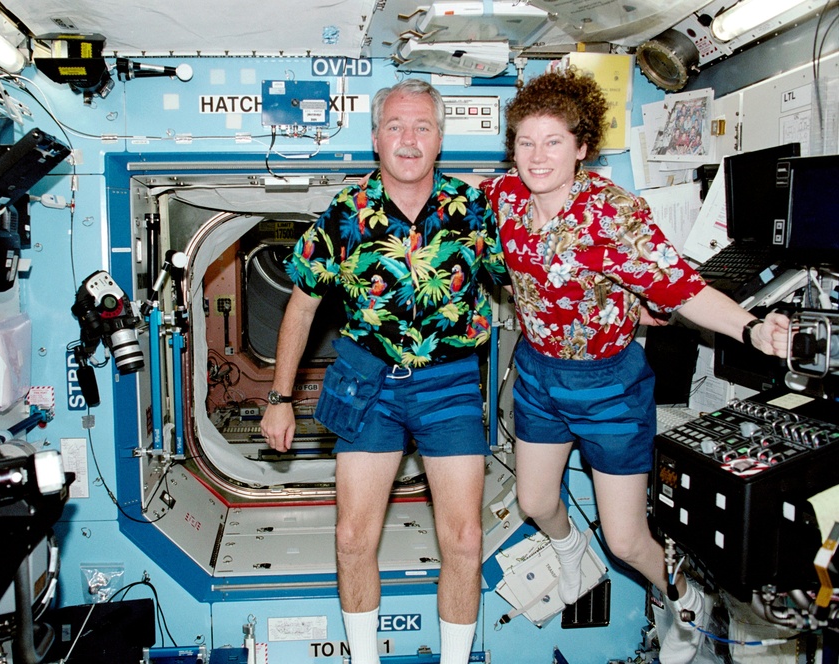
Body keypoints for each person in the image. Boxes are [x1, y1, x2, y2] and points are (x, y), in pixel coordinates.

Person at [479, 68, 790, 664]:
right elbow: (456, 199)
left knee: (625, 539)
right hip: (540, 376)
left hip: (608, 387)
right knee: (537, 504)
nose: (537, 156)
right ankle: (572, 554)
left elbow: (681, 289)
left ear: (581, 147)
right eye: (525, 142)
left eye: (553, 142)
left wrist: (752, 327)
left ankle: (685, 599)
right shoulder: (504, 199)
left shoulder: (612, 214)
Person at [260, 78, 509, 664]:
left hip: (448, 384)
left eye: (422, 126)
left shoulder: (473, 210)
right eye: (395, 126)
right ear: (376, 138)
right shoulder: (345, 214)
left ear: (440, 138)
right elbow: (302, 304)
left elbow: (520, 281)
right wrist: (278, 397)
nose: (408, 138)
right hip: (366, 381)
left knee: (465, 540)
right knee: (352, 539)